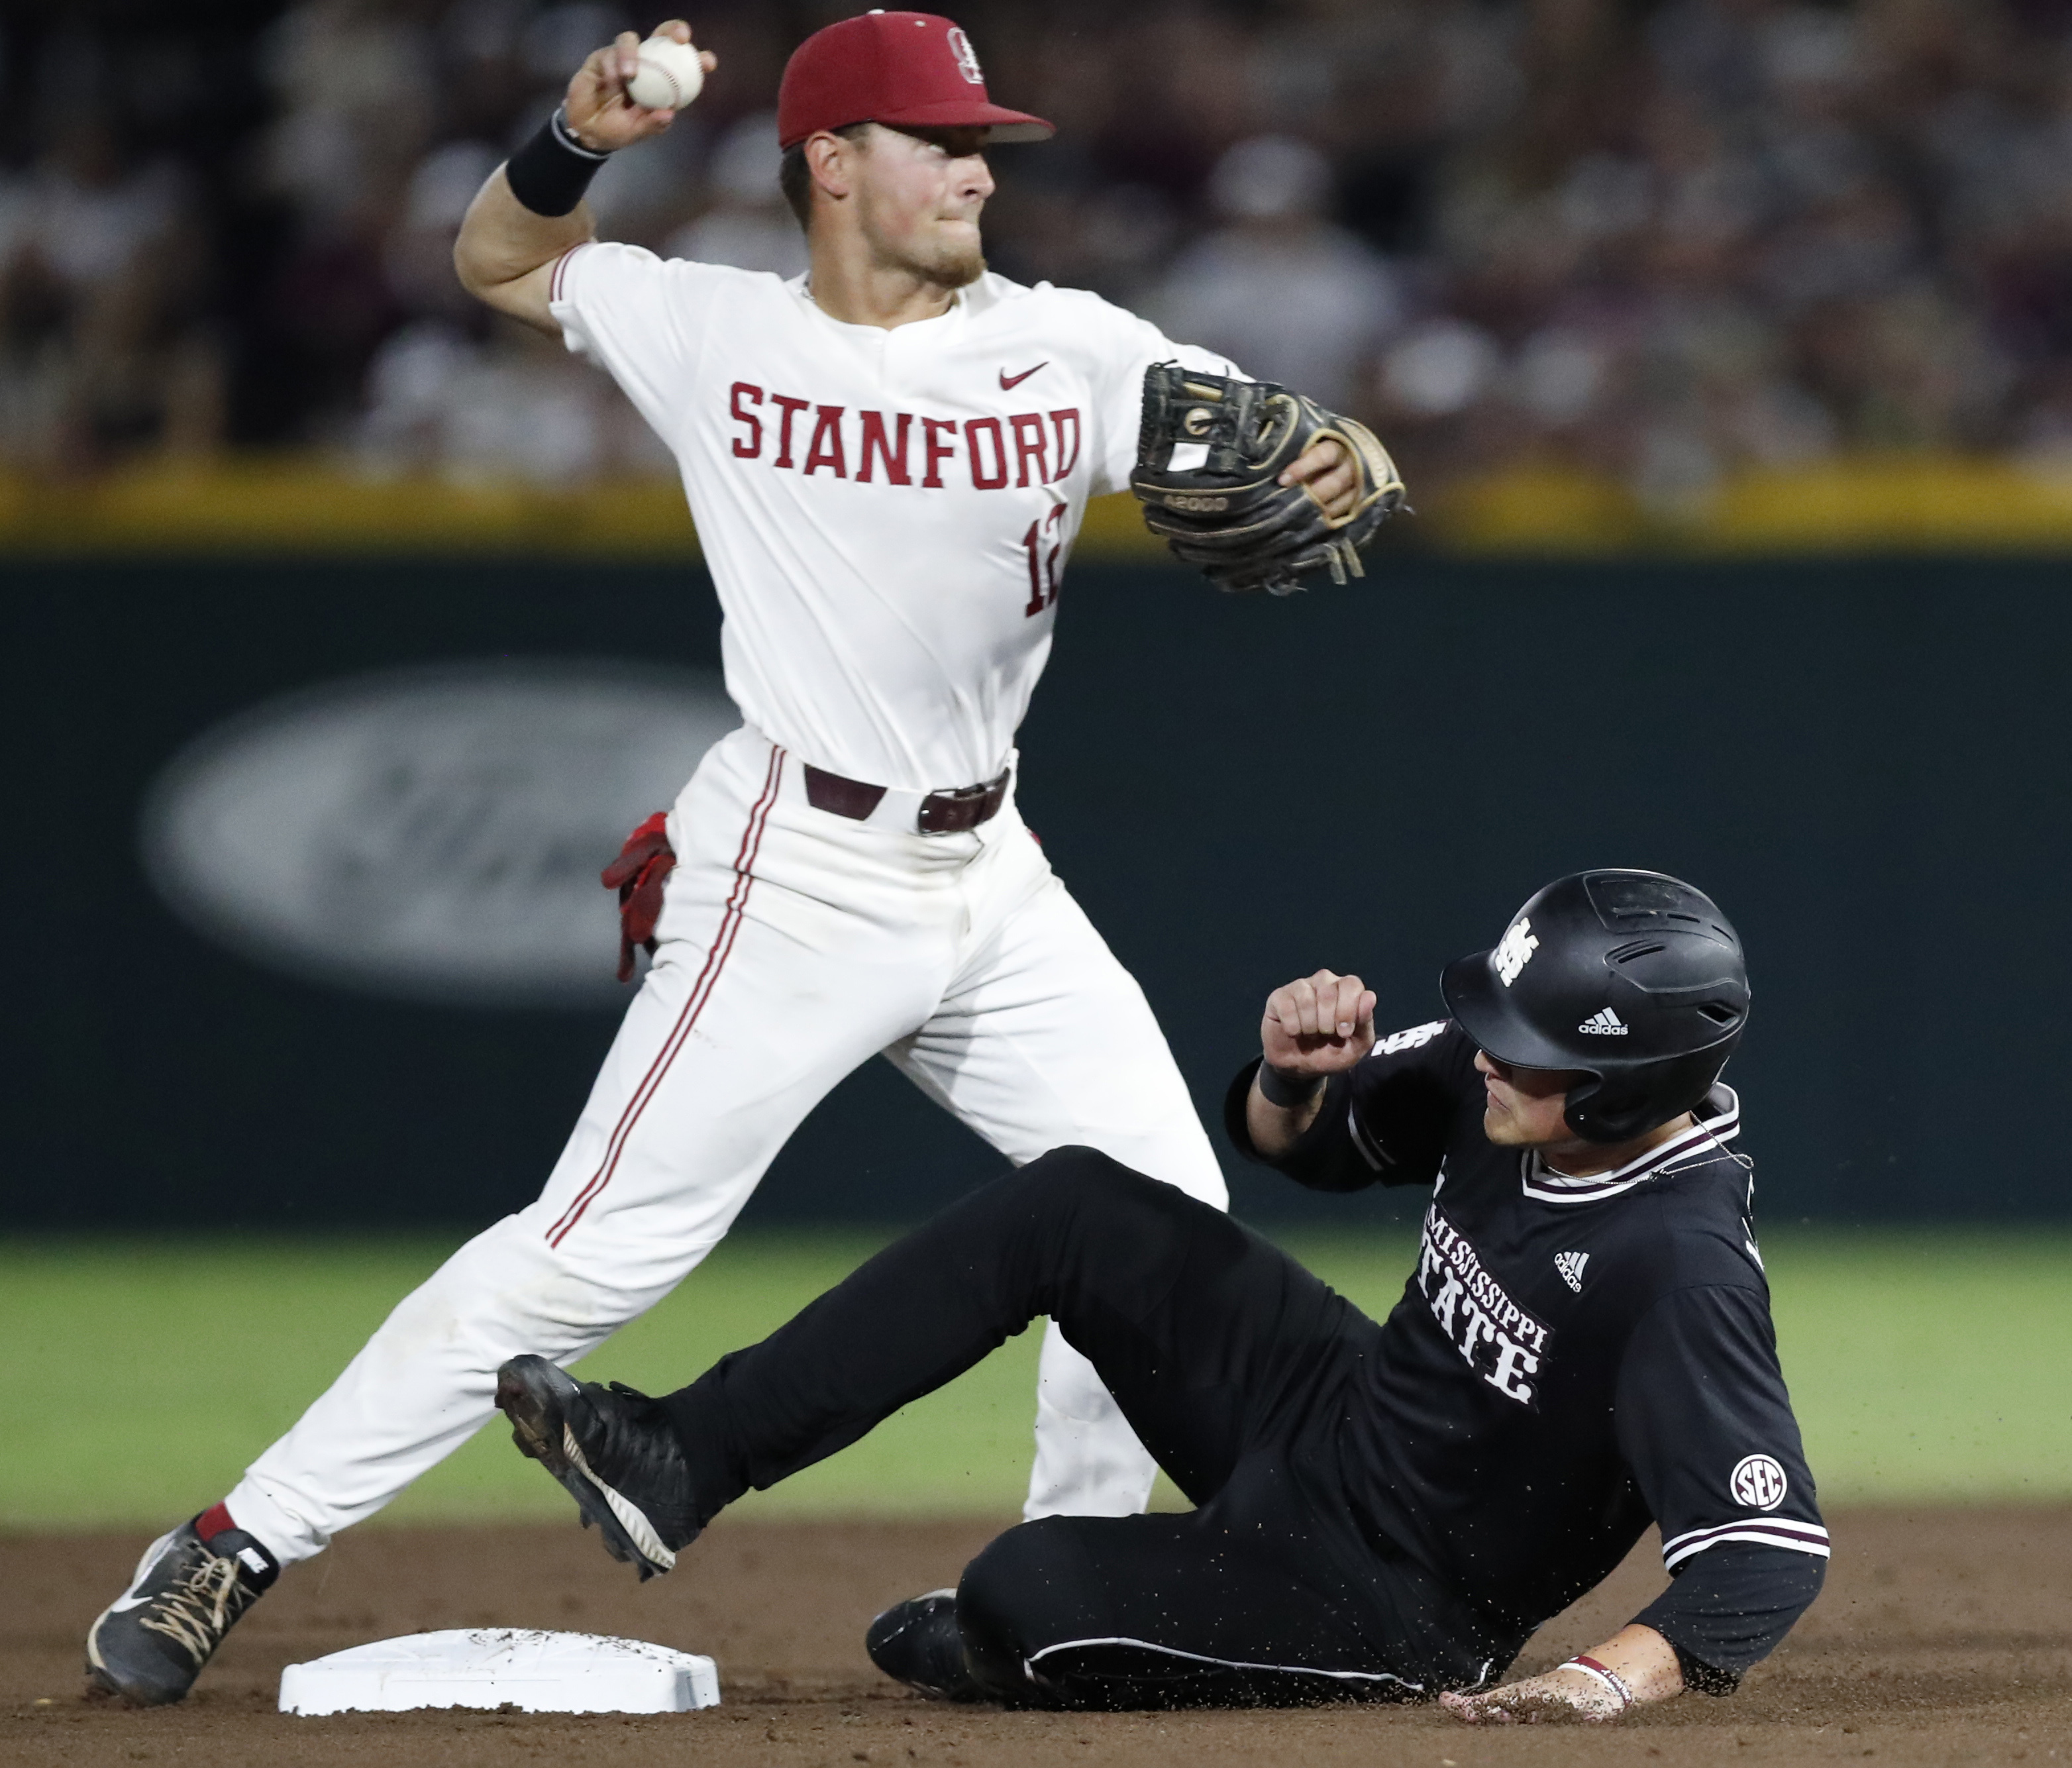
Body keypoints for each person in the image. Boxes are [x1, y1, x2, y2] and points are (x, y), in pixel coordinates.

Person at [86, 11, 1375, 1705]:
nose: (977, 168)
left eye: (984, 140)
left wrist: (1350, 459)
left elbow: (1317, 452)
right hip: (795, 872)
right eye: (939, 139)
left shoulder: (1072, 347)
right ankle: (230, 1542)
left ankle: (1074, 1603)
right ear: (833, 164)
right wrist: (578, 135)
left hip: (994, 879)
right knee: (591, 1252)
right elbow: (496, 258)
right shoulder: (710, 324)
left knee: (1155, 1227)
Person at [489, 869, 1828, 1720]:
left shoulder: (1680, 1266)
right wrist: (1293, 1076)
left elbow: (1760, 1563)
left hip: (1397, 1597)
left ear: (1624, 1089)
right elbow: (1298, 1144)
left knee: (1019, 1592)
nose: (1489, 1055)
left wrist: (1592, 1687)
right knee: (1074, 1204)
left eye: (1528, 1047)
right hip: (1337, 1410)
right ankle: (683, 1457)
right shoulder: (1508, 1088)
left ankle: (1026, 1642)